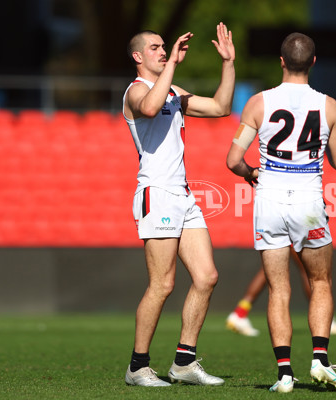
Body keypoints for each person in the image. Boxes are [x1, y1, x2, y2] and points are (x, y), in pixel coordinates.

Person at [226, 32, 336, 393]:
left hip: (269, 202)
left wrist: (251, 173)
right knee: (321, 282)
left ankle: (283, 374)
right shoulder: (328, 106)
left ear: (281, 62)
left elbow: (233, 161)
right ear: (313, 62)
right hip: (309, 203)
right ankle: (320, 360)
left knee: (278, 290)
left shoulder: (257, 103)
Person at [122, 23, 235, 388]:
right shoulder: (136, 91)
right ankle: (138, 367)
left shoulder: (172, 91)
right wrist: (172, 63)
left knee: (207, 276)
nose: (161, 50)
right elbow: (151, 108)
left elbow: (220, 107)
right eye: (154, 47)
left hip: (183, 195)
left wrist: (228, 64)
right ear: (138, 57)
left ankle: (184, 363)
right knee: (163, 284)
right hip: (157, 193)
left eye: (164, 47)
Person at [226, 246, 336, 336]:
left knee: (269, 270)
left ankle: (240, 313)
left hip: (277, 223)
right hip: (290, 222)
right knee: (308, 270)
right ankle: (326, 319)